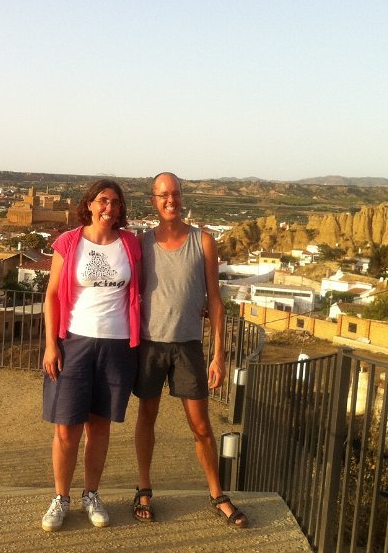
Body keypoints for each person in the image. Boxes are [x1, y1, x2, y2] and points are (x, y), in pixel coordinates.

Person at [132, 171, 248, 528]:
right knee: (146, 419)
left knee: (201, 425)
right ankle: (144, 488)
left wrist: (219, 354)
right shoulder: (142, 243)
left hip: (188, 347)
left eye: (175, 194)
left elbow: (215, 300)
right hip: (150, 345)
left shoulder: (204, 241)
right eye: (163, 194)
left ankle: (217, 494)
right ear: (153, 200)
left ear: (182, 197)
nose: (170, 200)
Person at [40, 179, 141, 532]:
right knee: (66, 428)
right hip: (75, 343)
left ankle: (91, 494)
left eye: (115, 202)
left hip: (117, 344)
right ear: (90, 204)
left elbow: (144, 289)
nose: (108, 207)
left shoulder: (130, 244)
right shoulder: (69, 242)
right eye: (103, 200)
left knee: (98, 428)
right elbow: (52, 295)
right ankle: (61, 498)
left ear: (120, 209)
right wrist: (52, 344)